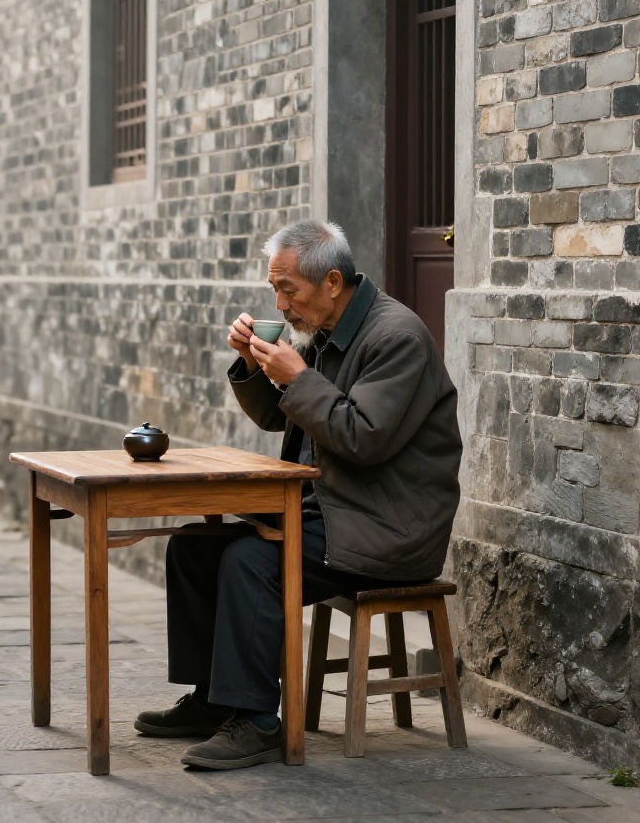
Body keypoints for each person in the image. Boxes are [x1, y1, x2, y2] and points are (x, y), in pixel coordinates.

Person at [135, 219, 463, 769]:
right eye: (275, 288)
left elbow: (362, 439)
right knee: (193, 548)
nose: (280, 303)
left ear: (331, 281)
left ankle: (259, 721)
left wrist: (295, 377)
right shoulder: (322, 332)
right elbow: (275, 418)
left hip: (385, 526)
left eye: (289, 289)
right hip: (329, 510)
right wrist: (253, 361)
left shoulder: (395, 338)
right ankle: (215, 702)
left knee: (251, 560)